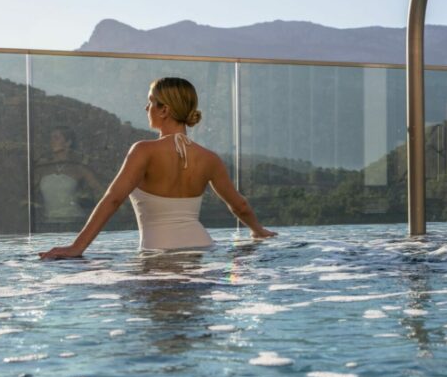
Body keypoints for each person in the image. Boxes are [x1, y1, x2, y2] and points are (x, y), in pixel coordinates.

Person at [40, 77, 275, 259]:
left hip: (158, 254)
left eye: (150, 102)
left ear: (164, 110)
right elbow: (239, 205)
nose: (146, 108)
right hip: (202, 249)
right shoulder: (209, 158)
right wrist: (258, 231)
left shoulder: (143, 150)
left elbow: (113, 199)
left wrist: (77, 247)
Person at [34, 126, 104, 227]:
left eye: (56, 138)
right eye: (51, 138)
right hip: (48, 222)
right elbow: (28, 194)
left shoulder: (79, 168)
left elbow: (102, 192)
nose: (52, 141)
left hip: (75, 222)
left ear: (68, 142)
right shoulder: (42, 168)